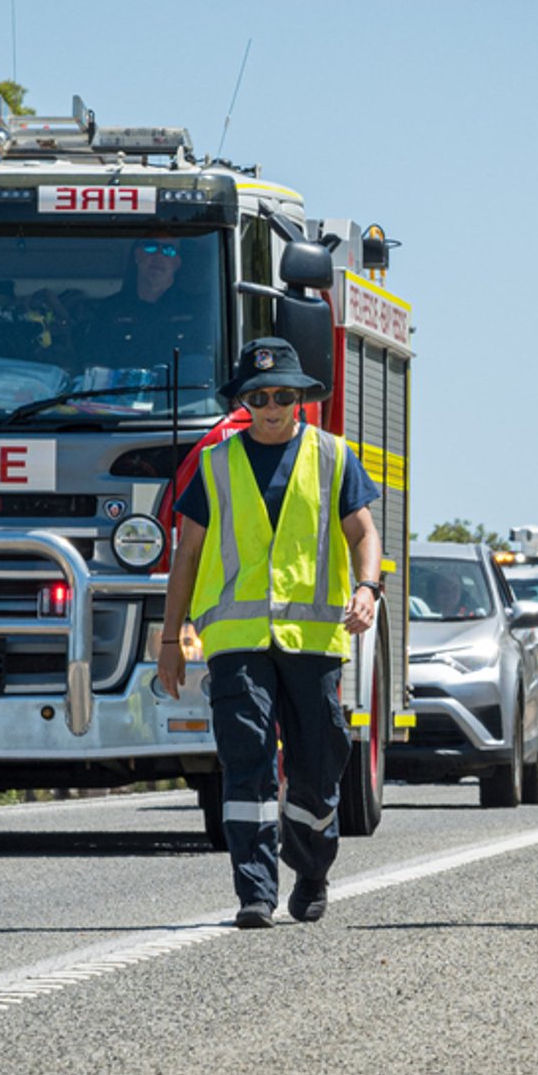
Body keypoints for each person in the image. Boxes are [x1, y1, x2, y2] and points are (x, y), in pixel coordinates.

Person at [159, 338, 384, 929]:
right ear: (244, 402)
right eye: (259, 396)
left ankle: (311, 871)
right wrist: (168, 640)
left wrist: (367, 589)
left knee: (315, 766)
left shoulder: (333, 457)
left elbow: (365, 535)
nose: (272, 405)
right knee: (246, 762)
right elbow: (187, 557)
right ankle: (254, 890)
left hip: (313, 644)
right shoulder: (214, 466)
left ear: (300, 398)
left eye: (283, 394)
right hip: (235, 644)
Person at [79, 235, 211, 369]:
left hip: (179, 389)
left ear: (177, 263)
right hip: (124, 388)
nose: (158, 255)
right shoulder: (109, 309)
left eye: (169, 250)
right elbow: (95, 367)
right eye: (150, 247)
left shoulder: (197, 310)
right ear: (137, 255)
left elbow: (209, 365)